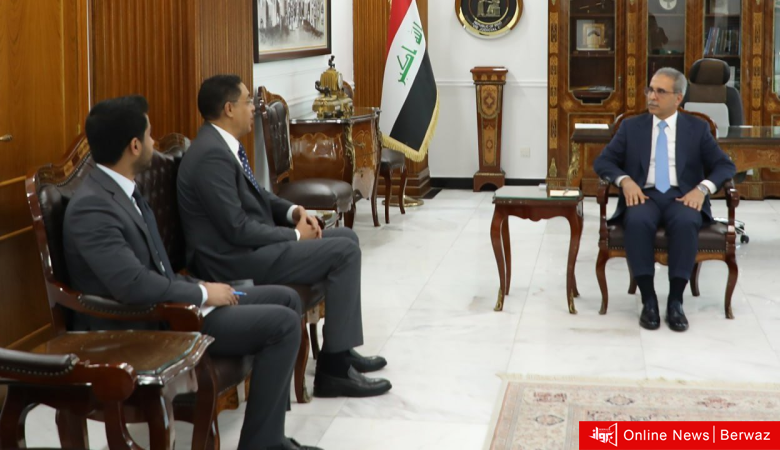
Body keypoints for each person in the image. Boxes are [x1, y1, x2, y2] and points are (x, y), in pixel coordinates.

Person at [63, 95, 321, 450]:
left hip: (173, 301)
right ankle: (263, 444)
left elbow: (157, 270)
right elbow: (133, 285)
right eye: (149, 135)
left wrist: (200, 287)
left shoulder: (122, 191)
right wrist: (202, 294)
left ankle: (268, 434)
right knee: (283, 324)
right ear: (134, 146)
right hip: (147, 324)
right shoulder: (93, 207)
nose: (154, 142)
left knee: (286, 298)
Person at [177, 74, 392, 398]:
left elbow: (258, 196)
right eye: (248, 101)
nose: (253, 107)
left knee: (347, 239)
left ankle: (340, 351)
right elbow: (236, 228)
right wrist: (294, 236)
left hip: (247, 250)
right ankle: (333, 372)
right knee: (344, 252)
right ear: (229, 109)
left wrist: (294, 211)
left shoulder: (222, 145)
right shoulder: (210, 155)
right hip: (232, 261)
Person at [593, 67, 736, 332]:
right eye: (650, 90)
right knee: (637, 221)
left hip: (682, 195)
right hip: (643, 194)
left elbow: (725, 166)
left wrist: (702, 189)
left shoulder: (697, 128)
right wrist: (625, 181)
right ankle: (648, 299)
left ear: (678, 98)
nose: (652, 96)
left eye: (660, 91)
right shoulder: (631, 127)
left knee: (686, 222)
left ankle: (675, 301)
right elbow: (603, 162)